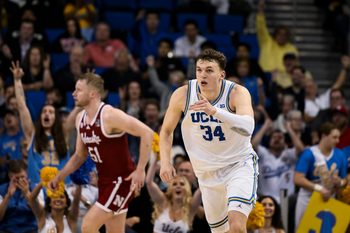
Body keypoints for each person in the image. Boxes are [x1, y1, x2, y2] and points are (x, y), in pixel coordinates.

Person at [159, 49, 258, 233]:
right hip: (206, 174)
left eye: (209, 70)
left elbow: (248, 127)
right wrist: (165, 162)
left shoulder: (237, 92)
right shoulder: (183, 95)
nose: (202, 75)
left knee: (236, 226)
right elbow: (165, 131)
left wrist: (215, 111)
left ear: (222, 75)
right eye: (199, 70)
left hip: (238, 165)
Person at [48, 72, 154, 233]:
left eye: (78, 90)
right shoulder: (80, 119)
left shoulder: (110, 115)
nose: (73, 94)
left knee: (88, 226)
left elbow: (147, 133)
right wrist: (60, 176)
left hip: (122, 181)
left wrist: (140, 170)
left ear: (92, 93)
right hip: (104, 182)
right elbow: (79, 155)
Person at [10, 61, 77, 185]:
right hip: (38, 190)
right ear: (40, 117)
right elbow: (22, 106)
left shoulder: (64, 134)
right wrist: (17, 80)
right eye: (44, 112)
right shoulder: (32, 134)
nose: (47, 114)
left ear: (56, 118)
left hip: (62, 189)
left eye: (51, 112)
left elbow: (77, 109)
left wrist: (87, 88)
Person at [294, 122, 348, 228]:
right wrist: (319, 188)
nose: (338, 141)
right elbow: (298, 178)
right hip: (307, 198)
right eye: (334, 137)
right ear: (323, 136)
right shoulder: (309, 153)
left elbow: (345, 180)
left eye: (338, 137)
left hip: (329, 199)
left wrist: (340, 182)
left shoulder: (340, 155)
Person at [146, 157, 202, 233]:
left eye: (182, 184)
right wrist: (156, 158)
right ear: (170, 189)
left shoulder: (191, 207)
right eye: (174, 184)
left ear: (187, 190)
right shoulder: (163, 201)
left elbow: (203, 187)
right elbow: (149, 182)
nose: (178, 186)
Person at [0, 159, 38, 233]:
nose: (20, 180)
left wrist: (27, 194)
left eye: (23, 177)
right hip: (7, 230)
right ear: (10, 176)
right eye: (17, 178)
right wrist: (8, 196)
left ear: (27, 174)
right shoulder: (1, 190)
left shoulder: (35, 188)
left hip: (31, 229)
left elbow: (40, 215)